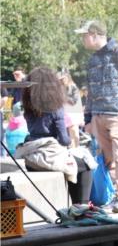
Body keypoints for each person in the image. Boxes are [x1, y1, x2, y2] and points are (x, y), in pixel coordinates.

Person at [76, 20, 118, 213]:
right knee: (104, 159)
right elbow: (90, 91)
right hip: (98, 116)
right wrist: (88, 119)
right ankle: (110, 195)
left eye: (84, 35)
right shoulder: (93, 60)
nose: (82, 39)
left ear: (95, 34)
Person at [19, 67, 94, 204]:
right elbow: (64, 140)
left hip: (32, 157)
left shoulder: (28, 107)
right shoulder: (56, 107)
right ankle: (81, 206)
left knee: (74, 162)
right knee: (85, 163)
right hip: (50, 156)